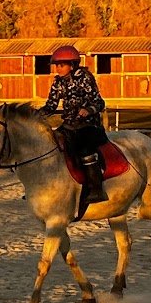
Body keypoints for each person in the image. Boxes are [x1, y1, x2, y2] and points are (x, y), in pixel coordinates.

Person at [38, 45, 109, 204]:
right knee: (50, 145)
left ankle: (96, 189)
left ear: (72, 65)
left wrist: (88, 110)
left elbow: (99, 102)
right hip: (69, 125)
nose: (58, 68)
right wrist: (35, 115)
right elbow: (51, 106)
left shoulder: (85, 78)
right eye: (56, 65)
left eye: (61, 65)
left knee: (84, 149)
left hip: (89, 125)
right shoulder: (57, 82)